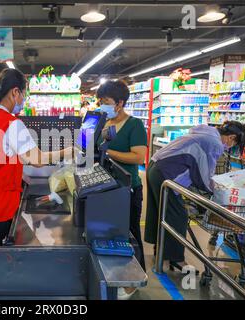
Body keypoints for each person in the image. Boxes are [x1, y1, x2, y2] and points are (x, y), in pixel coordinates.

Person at [0, 68, 72, 246]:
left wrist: (10, 165)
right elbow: (37, 159)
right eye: (23, 95)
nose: (23, 100)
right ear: (15, 92)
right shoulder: (11, 123)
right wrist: (67, 151)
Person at [144, 121, 245, 271]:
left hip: (156, 168)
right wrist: (217, 188)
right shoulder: (214, 143)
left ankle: (161, 253)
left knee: (161, 212)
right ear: (231, 137)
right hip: (167, 174)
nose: (229, 147)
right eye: (233, 144)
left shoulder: (205, 132)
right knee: (177, 216)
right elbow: (204, 175)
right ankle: (174, 259)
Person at [96, 80, 148, 300]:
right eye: (100, 101)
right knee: (114, 234)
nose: (102, 105)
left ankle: (135, 281)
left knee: (131, 234)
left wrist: (107, 153)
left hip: (128, 189)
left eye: (105, 101)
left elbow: (138, 156)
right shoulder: (104, 122)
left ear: (120, 103)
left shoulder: (134, 125)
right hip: (107, 188)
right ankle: (119, 275)